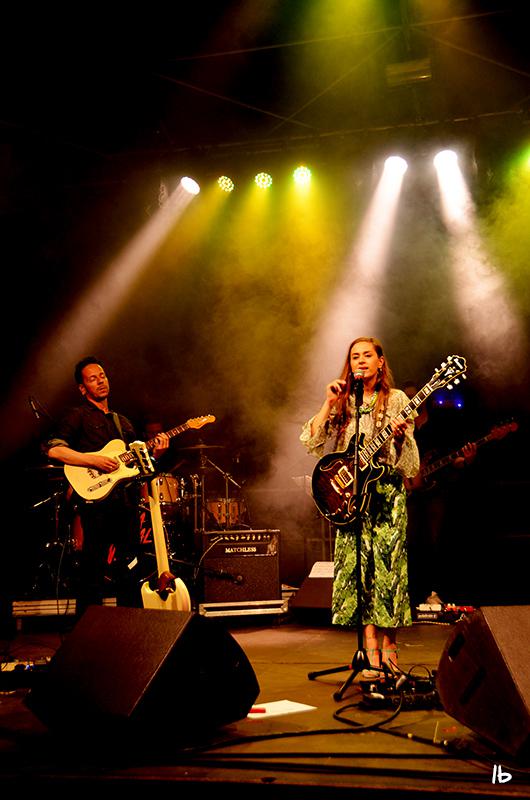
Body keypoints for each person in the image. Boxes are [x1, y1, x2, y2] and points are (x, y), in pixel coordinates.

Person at [300, 337, 420, 677]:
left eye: (368, 355)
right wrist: (328, 402)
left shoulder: (397, 400)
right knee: (360, 574)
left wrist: (400, 438)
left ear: (381, 362)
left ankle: (390, 648)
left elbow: (410, 465)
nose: (361, 361)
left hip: (386, 497)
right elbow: (311, 441)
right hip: (352, 500)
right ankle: (369, 651)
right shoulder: (343, 401)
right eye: (355, 356)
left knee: (388, 573)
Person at [43, 356, 169, 618]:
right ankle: (88, 629)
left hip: (126, 505)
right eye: (92, 379)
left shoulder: (124, 423)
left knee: (130, 569)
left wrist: (156, 454)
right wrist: (92, 460)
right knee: (92, 570)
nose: (100, 381)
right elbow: (54, 450)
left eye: (102, 376)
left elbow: (138, 468)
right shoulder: (77, 416)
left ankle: (131, 627)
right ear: (83, 388)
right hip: (96, 505)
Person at [402, 381, 477, 608]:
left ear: (424, 398)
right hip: (409, 492)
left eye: (415, 396)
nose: (412, 400)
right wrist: (407, 479)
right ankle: (411, 592)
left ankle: (433, 591)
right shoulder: (402, 427)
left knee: (435, 541)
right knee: (410, 542)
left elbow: (454, 459)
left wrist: (466, 460)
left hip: (435, 490)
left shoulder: (439, 425)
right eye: (407, 397)